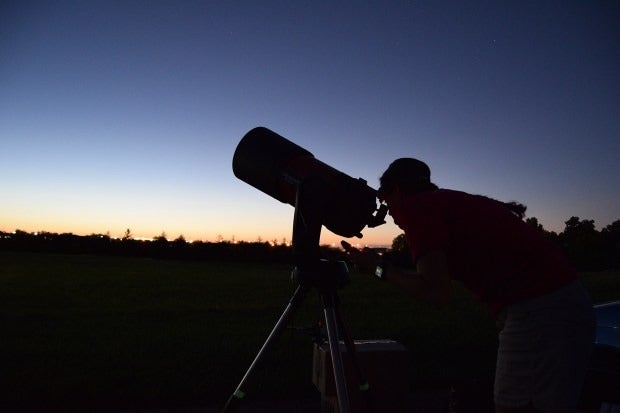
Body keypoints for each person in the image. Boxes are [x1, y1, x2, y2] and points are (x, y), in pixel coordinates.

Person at [344, 158, 596, 413]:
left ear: (397, 191)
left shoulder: (417, 208)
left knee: (513, 407)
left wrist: (377, 268)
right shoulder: (446, 203)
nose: (393, 218)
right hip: (559, 307)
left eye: (387, 204)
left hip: (540, 313)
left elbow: (435, 293)